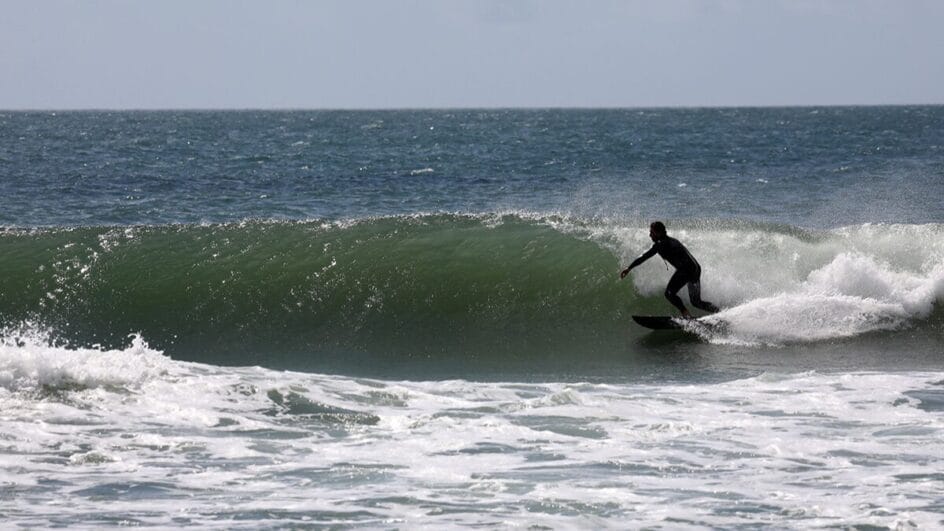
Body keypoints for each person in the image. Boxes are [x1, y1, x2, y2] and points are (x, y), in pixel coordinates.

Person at [620, 221, 719, 318]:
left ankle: (686, 315)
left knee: (669, 293)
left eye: (652, 232)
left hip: (686, 270)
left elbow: (644, 256)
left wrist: (629, 268)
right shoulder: (671, 240)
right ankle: (719, 312)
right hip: (696, 269)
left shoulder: (660, 244)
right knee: (696, 302)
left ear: (659, 233)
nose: (650, 235)